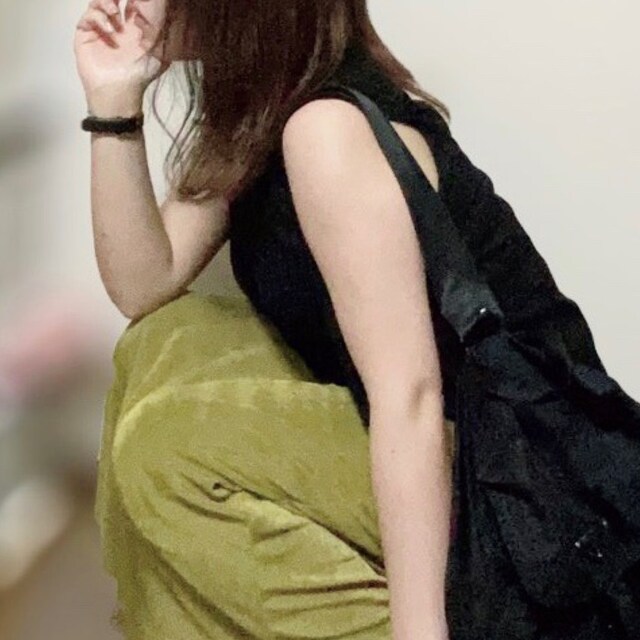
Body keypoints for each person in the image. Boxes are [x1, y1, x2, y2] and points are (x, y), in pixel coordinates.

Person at [73, 2, 638, 639]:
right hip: (436, 436)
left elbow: (410, 397)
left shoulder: (328, 130)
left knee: (167, 446)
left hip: (516, 482)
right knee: (164, 339)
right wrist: (112, 102)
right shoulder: (262, 110)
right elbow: (145, 283)